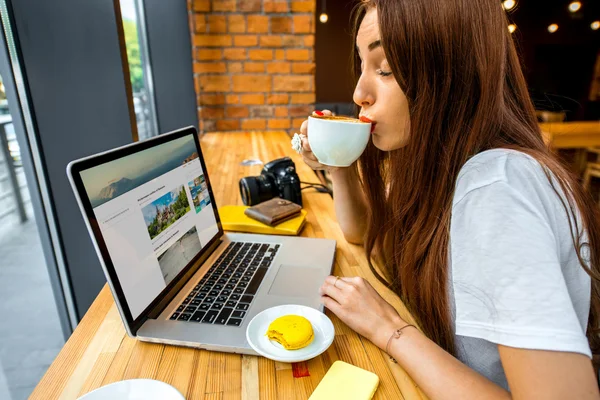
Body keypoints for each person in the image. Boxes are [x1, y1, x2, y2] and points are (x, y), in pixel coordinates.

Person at [298, 0, 600, 398]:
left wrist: (390, 329)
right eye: (362, 65)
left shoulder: (497, 187)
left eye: (385, 69)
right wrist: (338, 163)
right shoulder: (433, 165)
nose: (359, 93)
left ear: (451, 73)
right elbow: (362, 233)